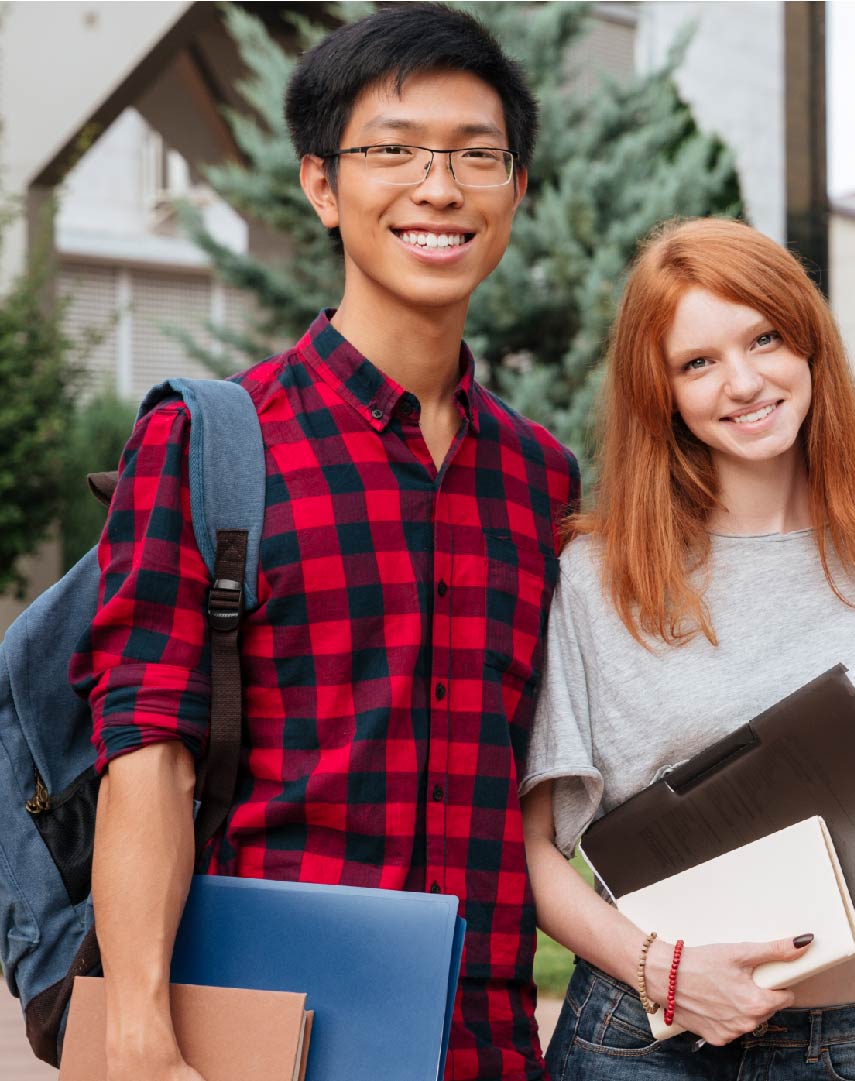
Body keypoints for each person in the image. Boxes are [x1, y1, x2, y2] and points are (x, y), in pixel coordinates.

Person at [79, 8, 576, 1079]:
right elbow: (146, 758)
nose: (437, 187)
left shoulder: (542, 479)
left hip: (485, 1045)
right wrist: (138, 1037)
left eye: (475, 155)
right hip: (263, 1033)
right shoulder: (213, 444)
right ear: (320, 187)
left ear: (515, 190)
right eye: (392, 150)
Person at [521, 217, 855, 1081]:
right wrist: (663, 969)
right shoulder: (598, 575)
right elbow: (533, 851)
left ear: (807, 343)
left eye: (763, 338)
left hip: (837, 1038)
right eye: (696, 362)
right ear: (659, 390)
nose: (742, 382)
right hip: (638, 1031)